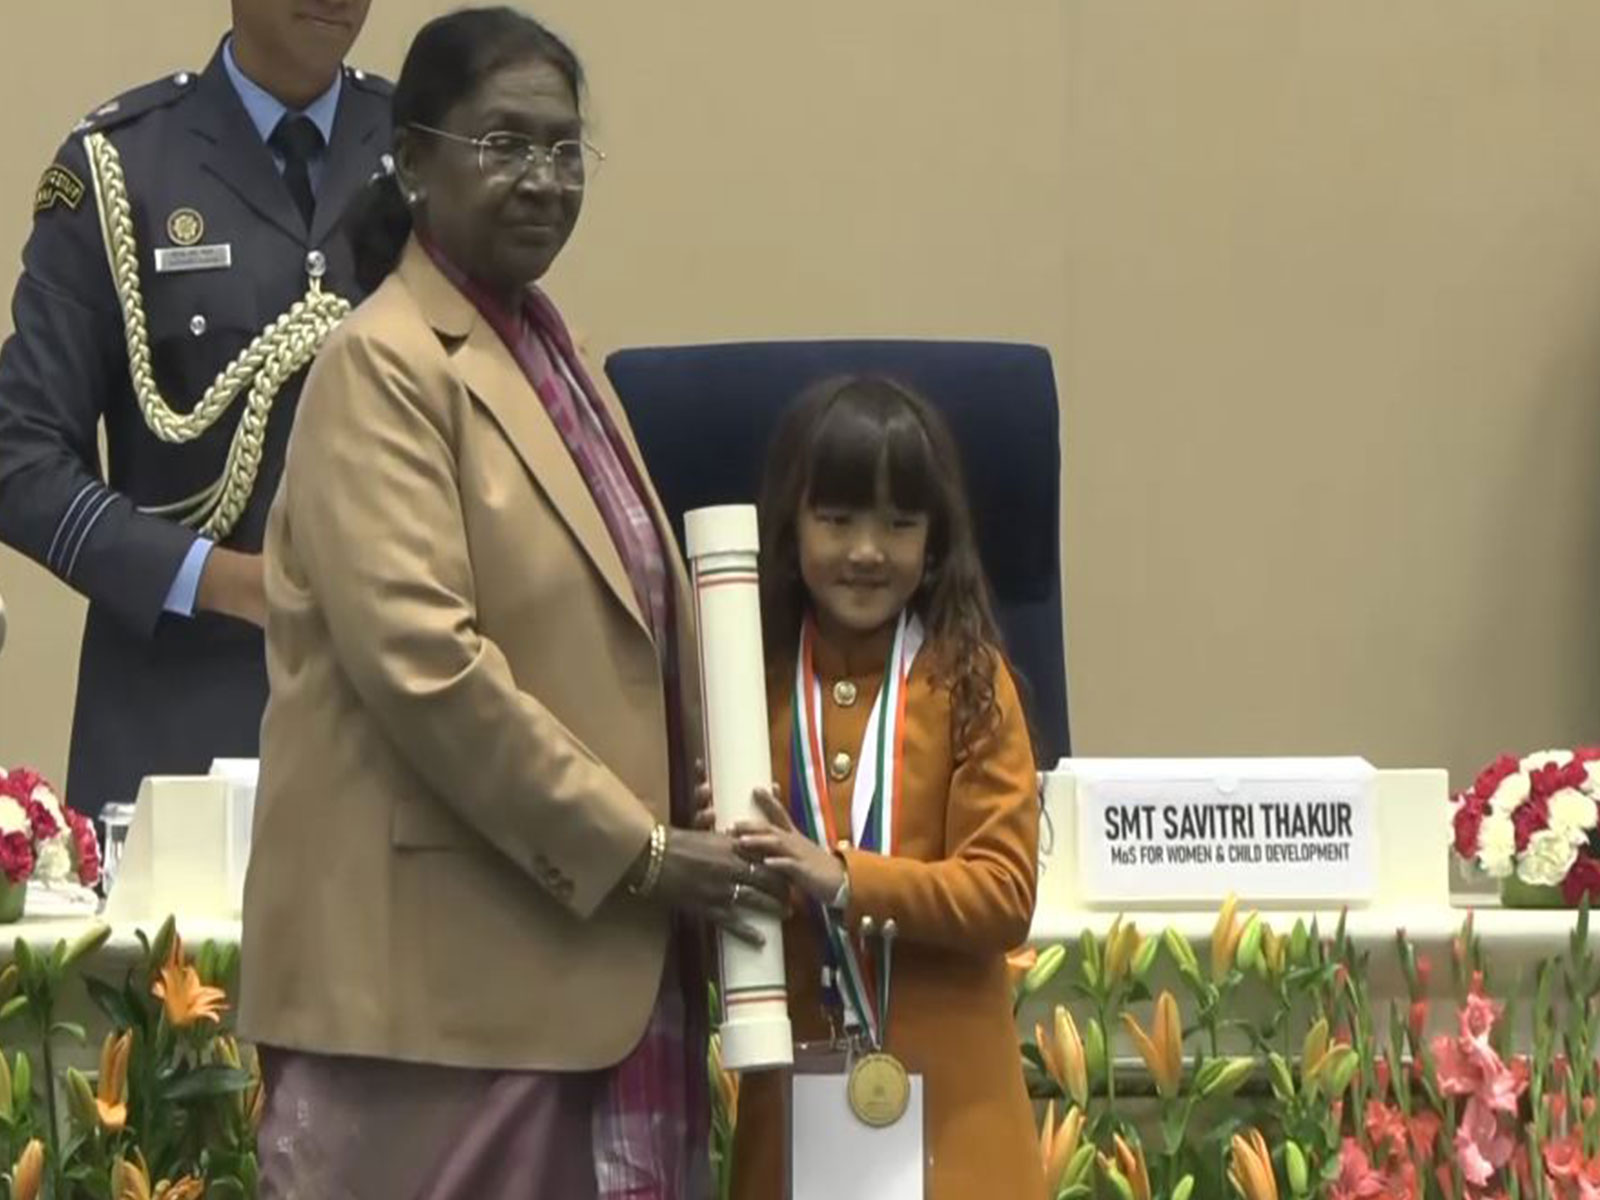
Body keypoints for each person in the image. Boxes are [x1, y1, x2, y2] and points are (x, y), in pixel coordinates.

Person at [237, 9, 785, 1198]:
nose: (542, 178)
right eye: (503, 145)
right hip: (442, 1011)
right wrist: (641, 853)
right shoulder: (381, 364)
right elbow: (427, 670)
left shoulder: (557, 357)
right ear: (412, 159)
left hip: (581, 979)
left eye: (564, 148)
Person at [0, 0, 389, 817]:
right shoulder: (121, 166)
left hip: (395, 721)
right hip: (180, 724)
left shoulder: (422, 151)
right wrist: (223, 581)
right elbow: (19, 458)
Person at [723, 375, 1046, 1198]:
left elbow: (1004, 893)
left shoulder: (970, 681)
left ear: (935, 541)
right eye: (836, 520)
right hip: (794, 1107)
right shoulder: (742, 686)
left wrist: (844, 879)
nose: (867, 551)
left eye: (899, 524)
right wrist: (717, 850)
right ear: (791, 527)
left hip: (959, 1124)